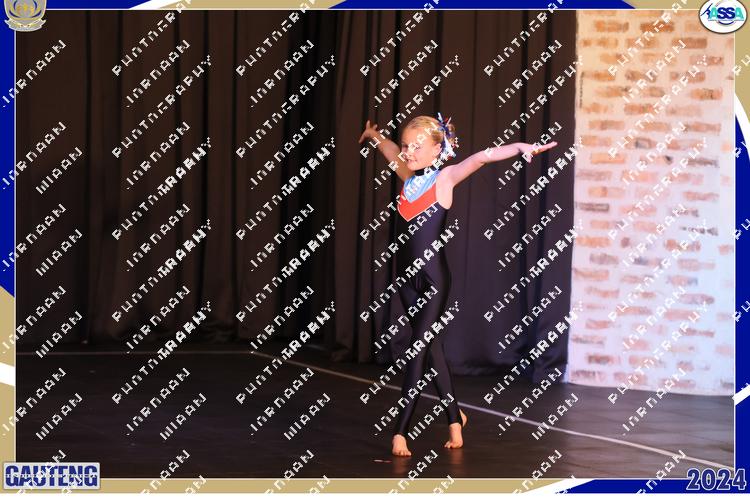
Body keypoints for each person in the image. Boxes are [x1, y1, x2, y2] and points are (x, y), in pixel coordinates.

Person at [358, 114, 557, 457]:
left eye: (417, 147)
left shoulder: (445, 179)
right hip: (406, 279)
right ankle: (454, 418)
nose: (408, 152)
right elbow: (390, 151)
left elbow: (480, 158)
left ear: (437, 149)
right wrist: (375, 136)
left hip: (433, 281)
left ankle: (400, 432)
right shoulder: (407, 177)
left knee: (417, 350)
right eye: (406, 146)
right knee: (431, 349)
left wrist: (519, 147)